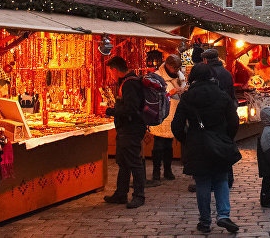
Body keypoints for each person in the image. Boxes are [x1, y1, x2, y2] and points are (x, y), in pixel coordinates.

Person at [173, 63, 241, 234]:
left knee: (202, 182)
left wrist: (186, 140)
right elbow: (234, 122)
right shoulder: (222, 95)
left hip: (197, 144)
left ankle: (205, 221)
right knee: (221, 179)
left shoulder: (188, 97)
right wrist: (227, 138)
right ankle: (223, 215)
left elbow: (177, 125)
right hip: (220, 141)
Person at [102, 55, 147, 209]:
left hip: (131, 128)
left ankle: (139, 195)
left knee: (134, 162)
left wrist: (110, 110)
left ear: (115, 70)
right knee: (123, 162)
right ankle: (121, 193)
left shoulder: (129, 84)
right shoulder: (130, 81)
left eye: (110, 72)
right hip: (126, 129)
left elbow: (131, 109)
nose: (110, 75)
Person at [147, 55, 186, 186]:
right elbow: (153, 96)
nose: (176, 70)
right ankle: (156, 172)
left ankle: (168, 170)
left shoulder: (179, 75)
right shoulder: (157, 76)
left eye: (178, 68)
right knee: (158, 145)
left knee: (169, 144)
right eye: (174, 68)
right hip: (161, 114)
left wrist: (183, 90)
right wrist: (170, 93)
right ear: (168, 65)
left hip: (173, 112)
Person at [203, 48, 236, 188]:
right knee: (225, 147)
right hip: (227, 114)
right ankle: (228, 178)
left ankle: (215, 181)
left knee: (213, 149)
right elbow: (231, 94)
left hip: (213, 115)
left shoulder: (208, 73)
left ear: (205, 60)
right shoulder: (227, 73)